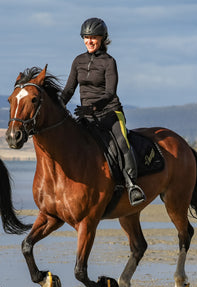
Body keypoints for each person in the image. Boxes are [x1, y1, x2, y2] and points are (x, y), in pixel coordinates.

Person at [60, 18, 145, 206]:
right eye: (86, 37)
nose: (89, 41)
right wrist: (59, 104)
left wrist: (93, 107)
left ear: (102, 39)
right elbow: (68, 90)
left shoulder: (109, 62)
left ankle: (132, 186)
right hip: (86, 116)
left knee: (122, 143)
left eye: (93, 38)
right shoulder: (78, 61)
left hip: (110, 113)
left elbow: (110, 93)